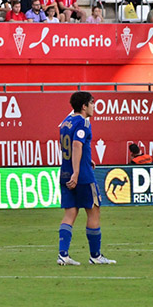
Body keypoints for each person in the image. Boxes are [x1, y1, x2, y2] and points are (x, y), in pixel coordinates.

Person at [57, 91, 116, 266]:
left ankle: (63, 255)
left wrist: (85, 160)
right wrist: (77, 171)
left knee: (70, 213)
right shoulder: (83, 122)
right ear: (84, 106)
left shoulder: (65, 122)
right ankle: (95, 256)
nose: (93, 106)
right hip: (81, 176)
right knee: (94, 210)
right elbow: (76, 145)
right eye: (92, 103)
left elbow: (70, 146)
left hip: (65, 173)